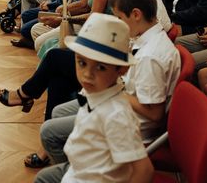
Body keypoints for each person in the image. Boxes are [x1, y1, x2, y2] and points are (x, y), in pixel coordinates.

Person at [36, 0, 180, 172]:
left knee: (49, 132)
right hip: (121, 104)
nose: (119, 23)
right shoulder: (146, 38)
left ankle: (80, 171)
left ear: (136, 15)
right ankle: (76, 162)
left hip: (131, 125)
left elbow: (154, 113)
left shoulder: (151, 57)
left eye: (120, 18)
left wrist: (114, 90)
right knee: (58, 112)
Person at [34, 14, 154, 183]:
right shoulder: (95, 94)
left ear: (121, 70)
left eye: (101, 67)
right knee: (43, 178)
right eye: (81, 63)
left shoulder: (116, 116)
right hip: (81, 170)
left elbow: (144, 170)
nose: (88, 75)